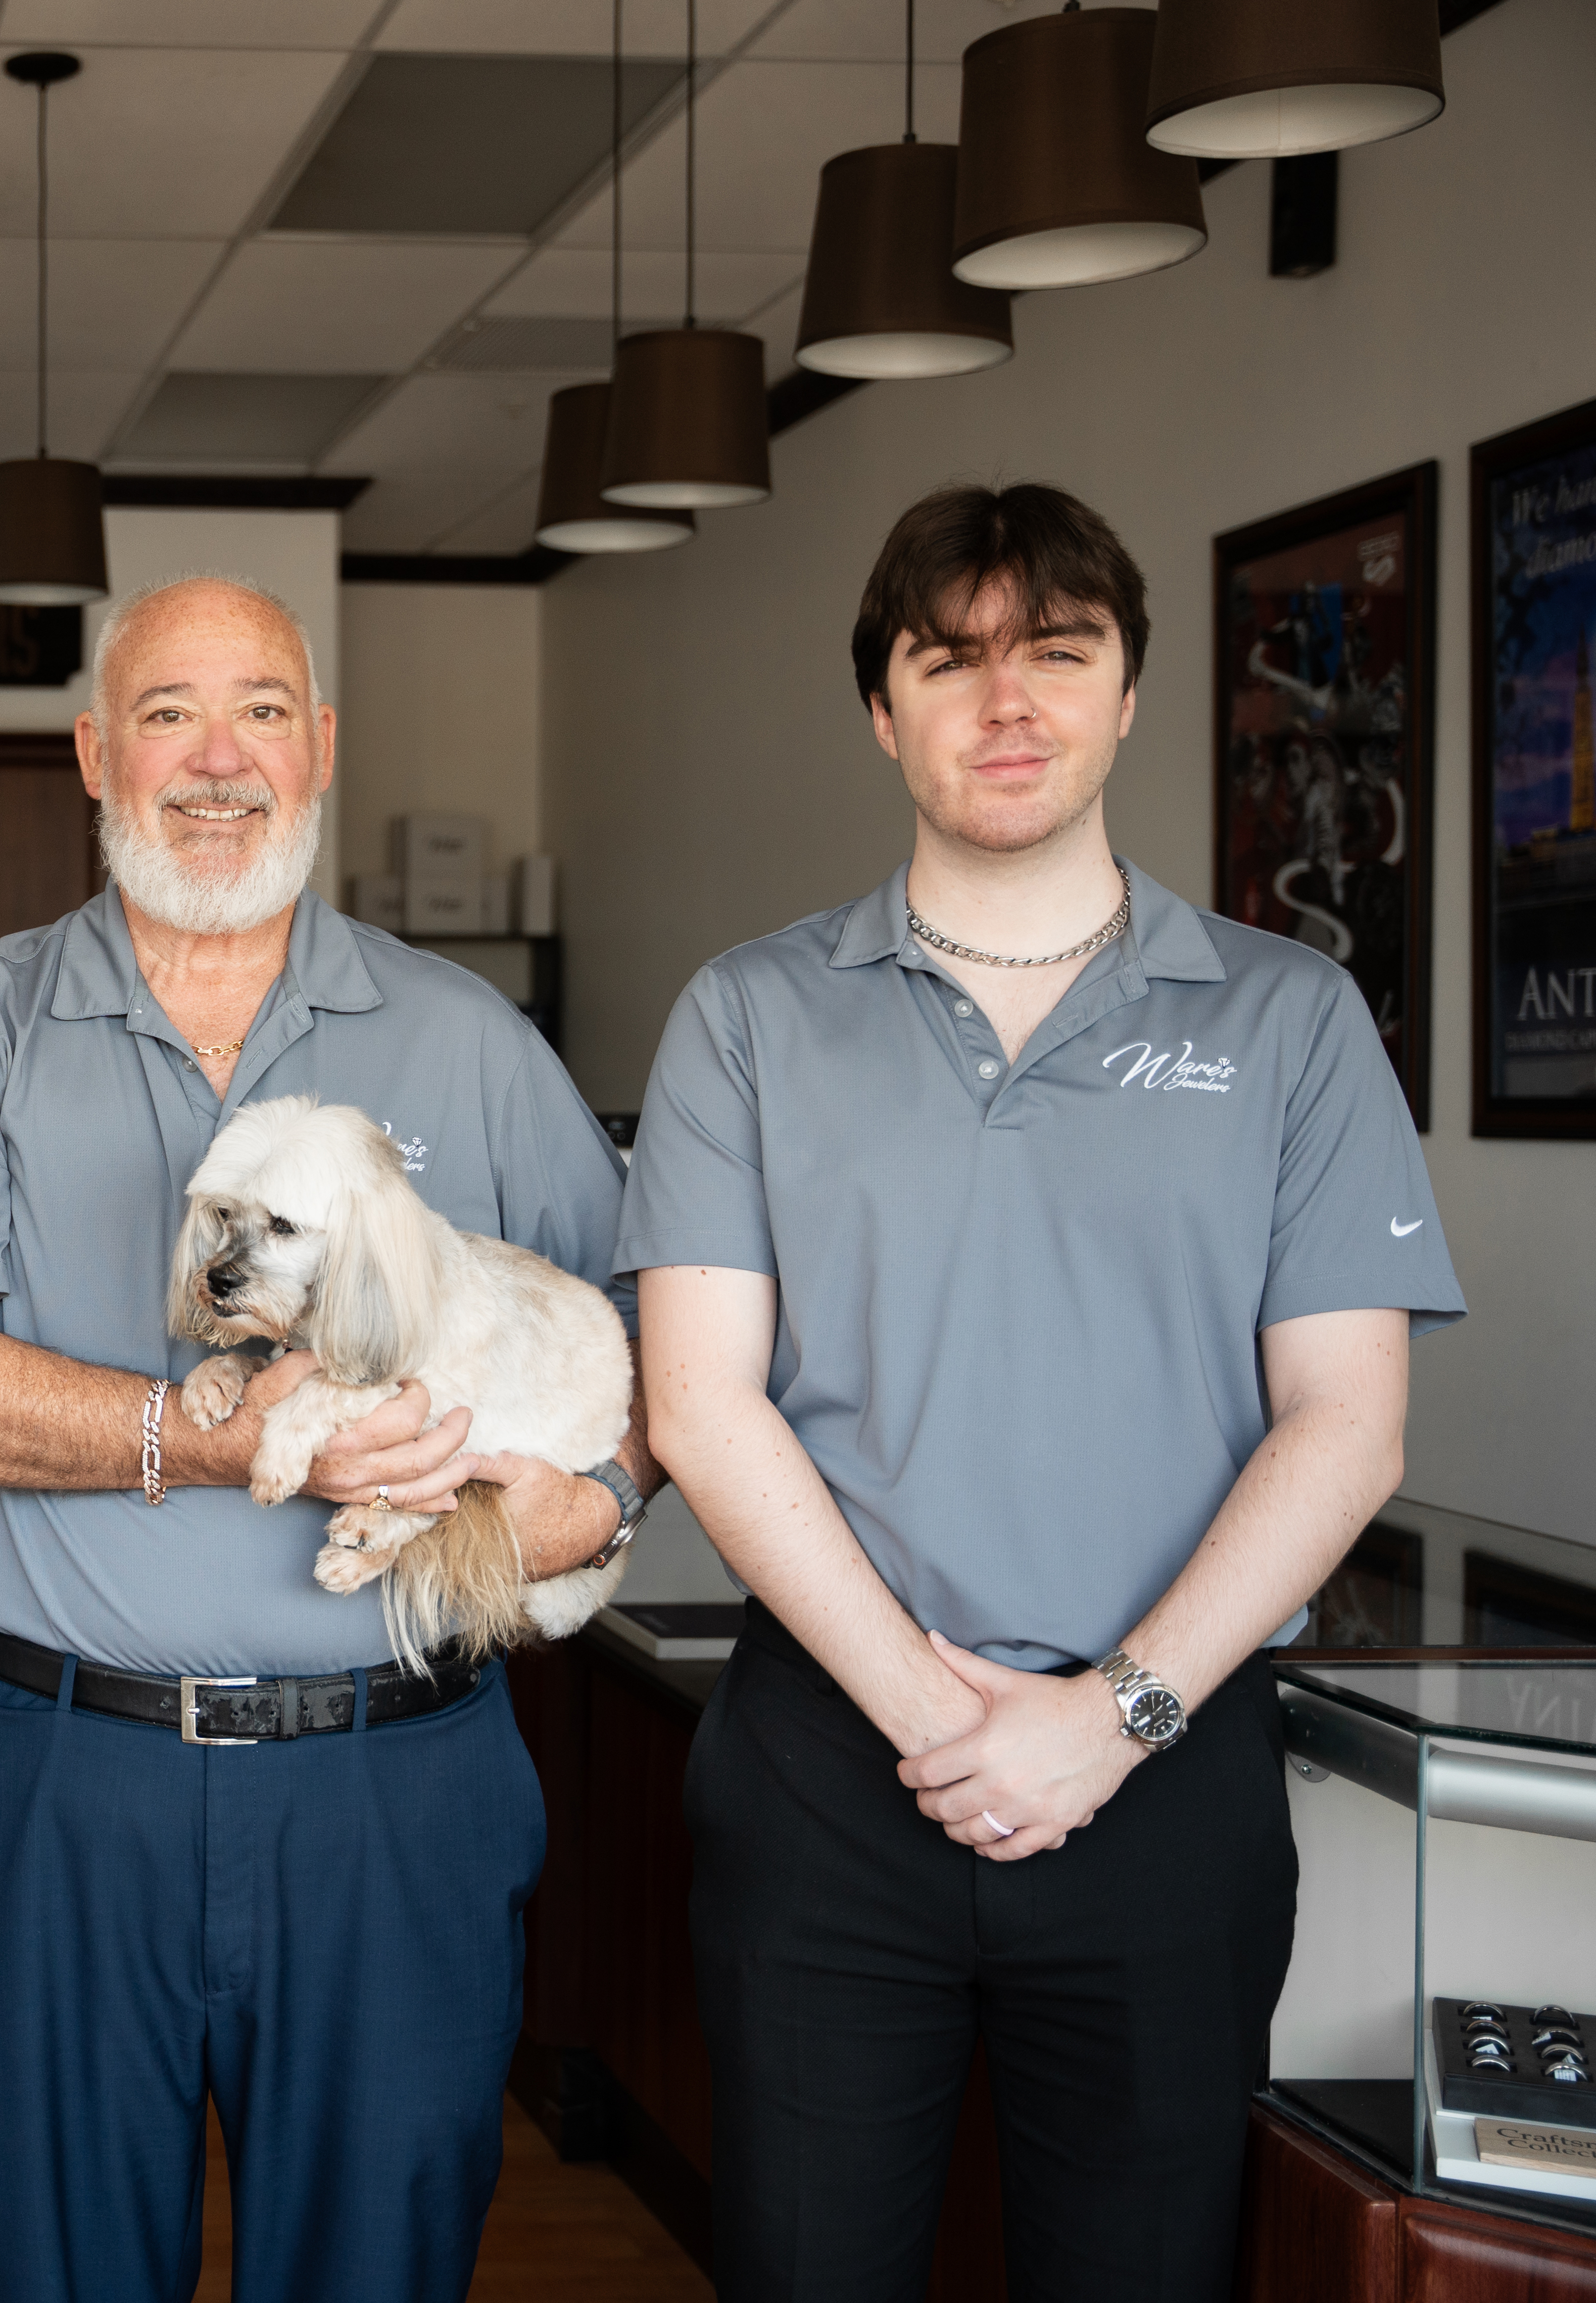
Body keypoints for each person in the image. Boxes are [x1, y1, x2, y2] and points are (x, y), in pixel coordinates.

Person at [619, 483, 1465, 2302]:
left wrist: (1112, 1718)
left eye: (1055, 655)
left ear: (1128, 694)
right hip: (827, 1779)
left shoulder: (1288, 1018)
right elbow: (698, 1401)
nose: (1007, 705)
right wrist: (938, 1714)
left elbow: (1348, 1420)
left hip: (1165, 1784)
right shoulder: (748, 1016)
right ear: (882, 708)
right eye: (951, 661)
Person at [0, 576, 658, 2302]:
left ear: (321, 748)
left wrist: (598, 1499)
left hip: (393, 1780)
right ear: (91, 752)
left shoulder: (466, 1039)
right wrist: (205, 1439)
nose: (217, 760)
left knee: (378, 2269)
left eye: (262, 709)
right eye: (167, 713)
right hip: (49, 1777)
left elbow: (659, 1332)